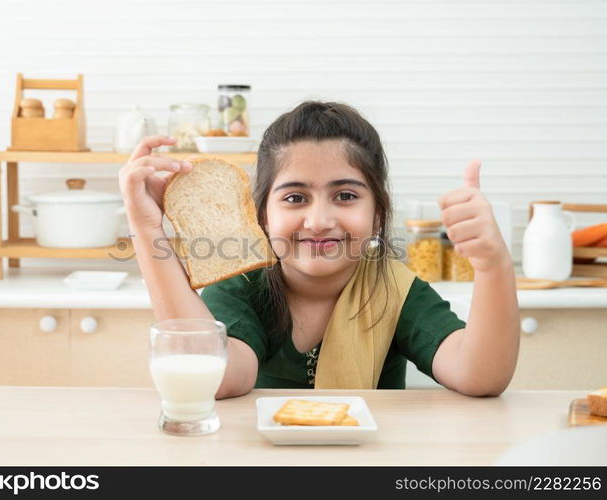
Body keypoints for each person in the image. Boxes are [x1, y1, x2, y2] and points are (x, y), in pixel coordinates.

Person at [118, 101, 520, 399]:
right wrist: (147, 227)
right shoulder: (240, 287)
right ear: (262, 216)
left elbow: (479, 376)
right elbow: (221, 378)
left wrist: (492, 264)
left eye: (345, 195)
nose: (319, 220)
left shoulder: (396, 292)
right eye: (295, 198)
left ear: (378, 215)